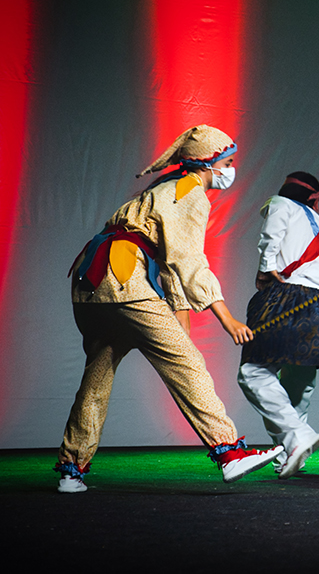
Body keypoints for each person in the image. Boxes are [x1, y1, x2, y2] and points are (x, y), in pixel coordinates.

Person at [58, 125, 281, 493]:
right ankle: (229, 452)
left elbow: (168, 264)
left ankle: (72, 469)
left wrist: (181, 323)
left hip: (91, 282)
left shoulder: (163, 188)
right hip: (124, 279)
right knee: (188, 366)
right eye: (227, 163)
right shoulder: (190, 192)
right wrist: (226, 317)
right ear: (207, 164)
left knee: (96, 378)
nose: (231, 169)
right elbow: (188, 261)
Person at [238, 172, 319, 478]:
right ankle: (292, 456)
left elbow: (271, 235)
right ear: (314, 200)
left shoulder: (281, 204)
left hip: (289, 298)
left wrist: (265, 269)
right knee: (299, 376)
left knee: (253, 373)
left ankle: (296, 437)